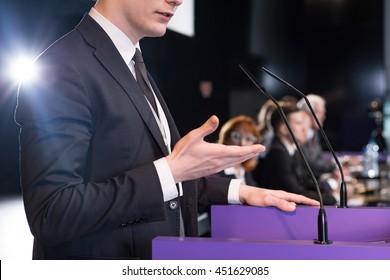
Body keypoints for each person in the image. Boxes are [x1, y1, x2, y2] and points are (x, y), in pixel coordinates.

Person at [14, 0, 319, 260]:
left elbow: (157, 176)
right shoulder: (63, 67)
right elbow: (52, 213)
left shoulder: (132, 63)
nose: (178, 0)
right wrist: (169, 171)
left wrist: (241, 191)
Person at [252, 103, 337, 205]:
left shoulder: (293, 149)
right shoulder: (277, 154)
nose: (305, 129)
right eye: (299, 123)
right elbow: (295, 193)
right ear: (284, 129)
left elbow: (306, 181)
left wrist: (330, 191)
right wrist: (332, 198)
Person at [216, 115, 260, 185]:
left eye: (248, 139)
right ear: (226, 138)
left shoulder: (246, 171)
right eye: (237, 136)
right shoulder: (215, 170)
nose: (242, 143)